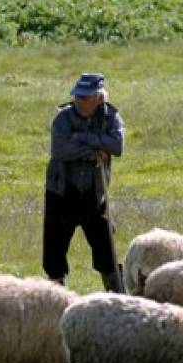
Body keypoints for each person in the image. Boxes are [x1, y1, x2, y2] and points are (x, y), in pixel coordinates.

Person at [43, 72, 125, 291]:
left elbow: (117, 146)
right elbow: (60, 150)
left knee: (107, 251)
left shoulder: (111, 118)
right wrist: (96, 149)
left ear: (99, 98)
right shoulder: (63, 118)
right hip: (61, 193)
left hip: (94, 194)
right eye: (78, 96)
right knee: (54, 255)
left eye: (85, 97)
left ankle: (117, 297)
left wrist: (81, 138)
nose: (79, 100)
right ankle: (55, 300)